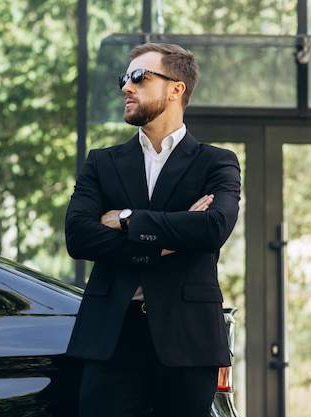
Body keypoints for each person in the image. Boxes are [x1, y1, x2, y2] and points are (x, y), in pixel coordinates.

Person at [65, 42, 241, 417]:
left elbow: (212, 227)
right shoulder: (102, 162)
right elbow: (78, 236)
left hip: (189, 340)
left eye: (138, 78)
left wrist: (126, 219)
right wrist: (169, 240)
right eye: (123, 79)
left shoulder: (217, 162)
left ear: (176, 88)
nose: (126, 87)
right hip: (112, 336)